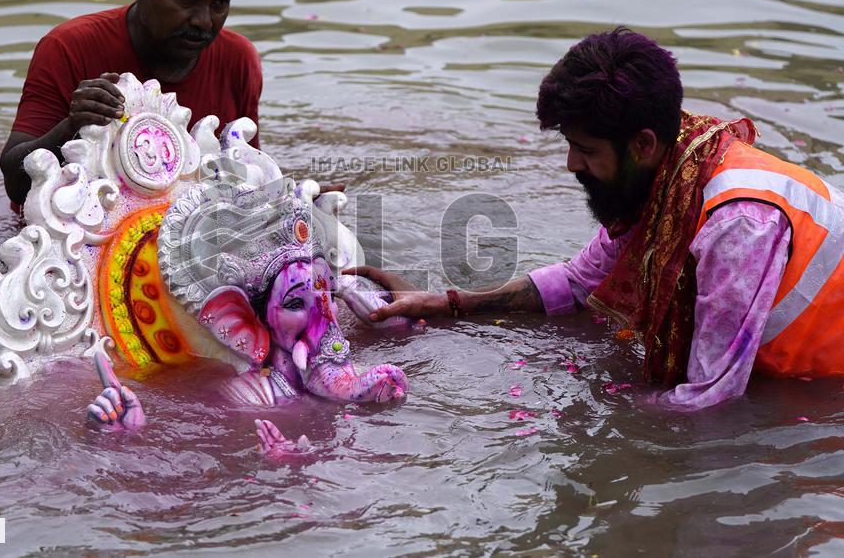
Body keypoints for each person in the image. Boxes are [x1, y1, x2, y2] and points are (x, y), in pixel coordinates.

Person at [352, 27, 843, 410]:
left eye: (585, 149)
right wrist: (443, 304)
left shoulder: (737, 226)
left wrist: (598, 418)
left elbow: (708, 397)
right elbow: (579, 282)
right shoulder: (672, 169)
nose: (571, 165)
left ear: (642, 144)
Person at [0, 0, 262, 208]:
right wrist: (72, 126)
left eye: (219, 4)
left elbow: (248, 182)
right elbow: (15, 184)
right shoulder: (67, 47)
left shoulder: (239, 59)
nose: (203, 21)